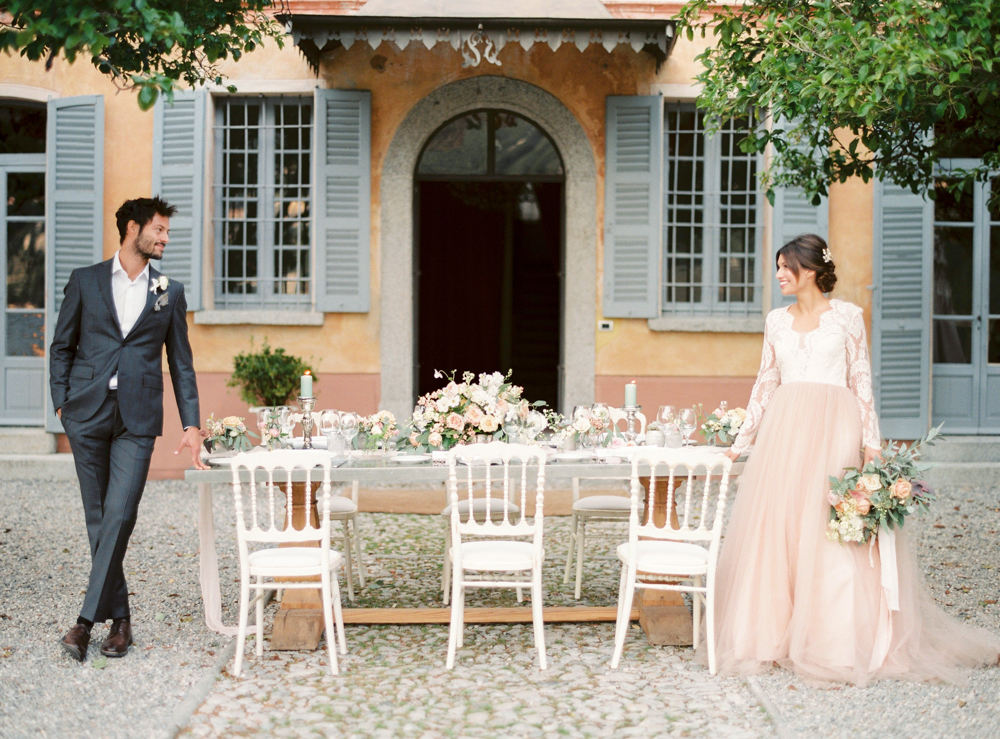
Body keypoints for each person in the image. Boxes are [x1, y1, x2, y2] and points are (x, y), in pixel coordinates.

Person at [714, 234, 999, 684]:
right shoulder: (775, 321)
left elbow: (861, 379)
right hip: (784, 432)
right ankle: (770, 635)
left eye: (786, 267)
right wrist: (741, 442)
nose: (779, 275)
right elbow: (764, 383)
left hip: (835, 427)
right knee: (781, 527)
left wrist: (873, 443)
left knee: (827, 528)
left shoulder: (847, 316)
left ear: (809, 269)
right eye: (778, 267)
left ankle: (834, 639)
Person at [49, 196, 209, 663]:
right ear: (133, 228)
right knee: (97, 517)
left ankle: (82, 623)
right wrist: (62, 402)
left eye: (167, 232)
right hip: (86, 412)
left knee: (119, 514)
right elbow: (62, 346)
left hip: (137, 418)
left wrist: (192, 424)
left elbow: (182, 365)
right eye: (159, 230)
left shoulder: (169, 291)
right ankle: (121, 622)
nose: (164, 238)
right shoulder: (86, 281)